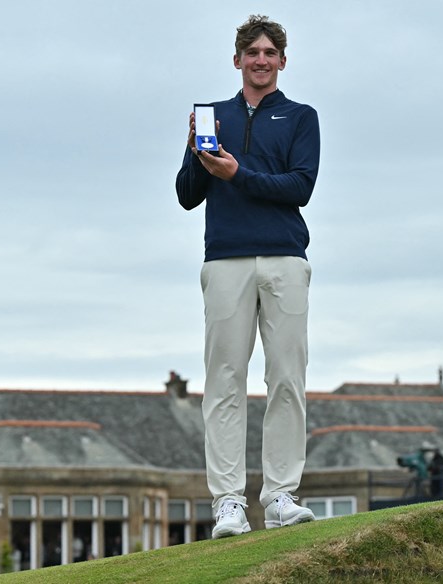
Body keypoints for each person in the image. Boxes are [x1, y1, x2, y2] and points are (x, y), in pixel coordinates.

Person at [175, 14, 321, 539]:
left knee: (286, 378)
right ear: (237, 59)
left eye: (270, 52)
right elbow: (187, 194)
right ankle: (229, 503)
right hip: (226, 260)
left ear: (282, 60)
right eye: (251, 52)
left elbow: (299, 186)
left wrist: (240, 174)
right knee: (224, 383)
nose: (261, 60)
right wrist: (197, 152)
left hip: (284, 258)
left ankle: (280, 495)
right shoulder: (212, 115)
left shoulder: (302, 117)